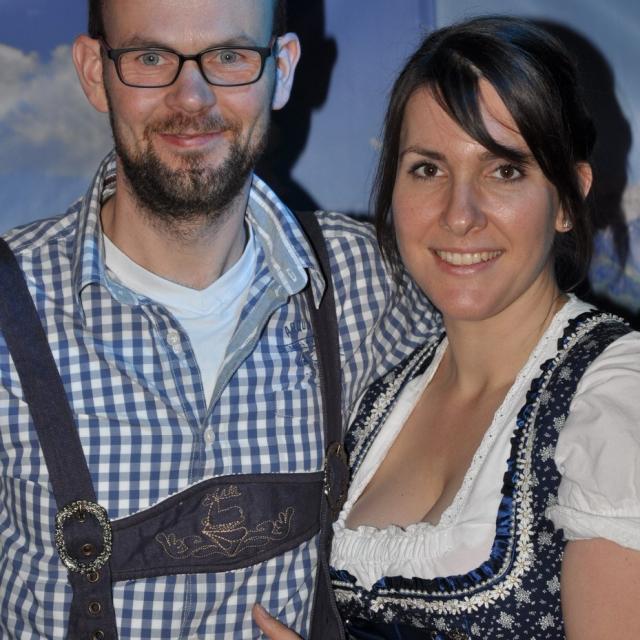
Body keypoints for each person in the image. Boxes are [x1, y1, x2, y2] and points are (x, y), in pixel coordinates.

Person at [0, 1, 437, 638]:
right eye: (151, 57)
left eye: (229, 56)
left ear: (281, 70)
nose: (191, 97)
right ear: (96, 72)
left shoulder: (371, 282)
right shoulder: (10, 311)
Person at [253, 15, 640, 640]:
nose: (460, 216)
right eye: (428, 169)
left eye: (504, 170)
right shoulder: (381, 394)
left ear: (569, 198)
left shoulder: (618, 395)